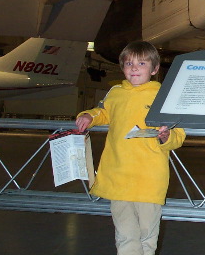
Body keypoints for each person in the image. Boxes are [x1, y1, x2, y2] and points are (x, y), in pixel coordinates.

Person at [75, 41, 186, 255]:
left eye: (141, 63)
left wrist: (166, 136)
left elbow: (178, 136)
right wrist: (88, 116)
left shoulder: (164, 95)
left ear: (154, 69)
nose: (134, 68)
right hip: (118, 177)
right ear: (122, 68)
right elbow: (104, 112)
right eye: (128, 63)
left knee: (147, 236)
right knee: (125, 235)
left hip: (149, 179)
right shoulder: (115, 92)